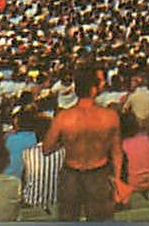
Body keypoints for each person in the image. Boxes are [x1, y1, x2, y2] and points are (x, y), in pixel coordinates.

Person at [44, 65, 122, 220]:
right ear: (93, 90)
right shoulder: (110, 116)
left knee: (68, 219)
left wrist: (67, 141)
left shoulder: (64, 118)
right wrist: (118, 180)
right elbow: (117, 152)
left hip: (72, 173)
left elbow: (46, 148)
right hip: (99, 172)